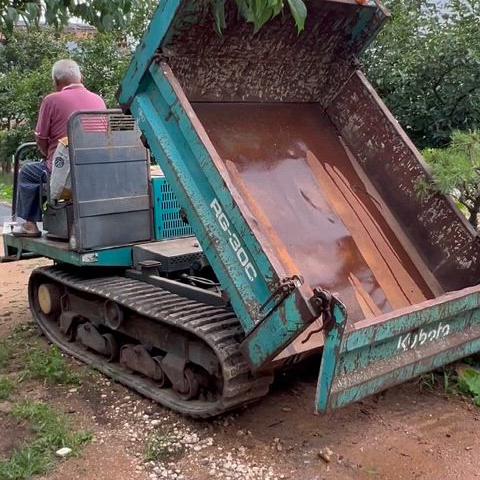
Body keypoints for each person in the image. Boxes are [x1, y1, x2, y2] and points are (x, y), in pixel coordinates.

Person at [14, 59, 106, 237]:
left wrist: (47, 155)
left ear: (56, 81)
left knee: (27, 172)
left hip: (65, 170)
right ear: (81, 78)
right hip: (95, 166)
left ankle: (30, 225)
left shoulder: (51, 100)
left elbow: (41, 139)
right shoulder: (98, 99)